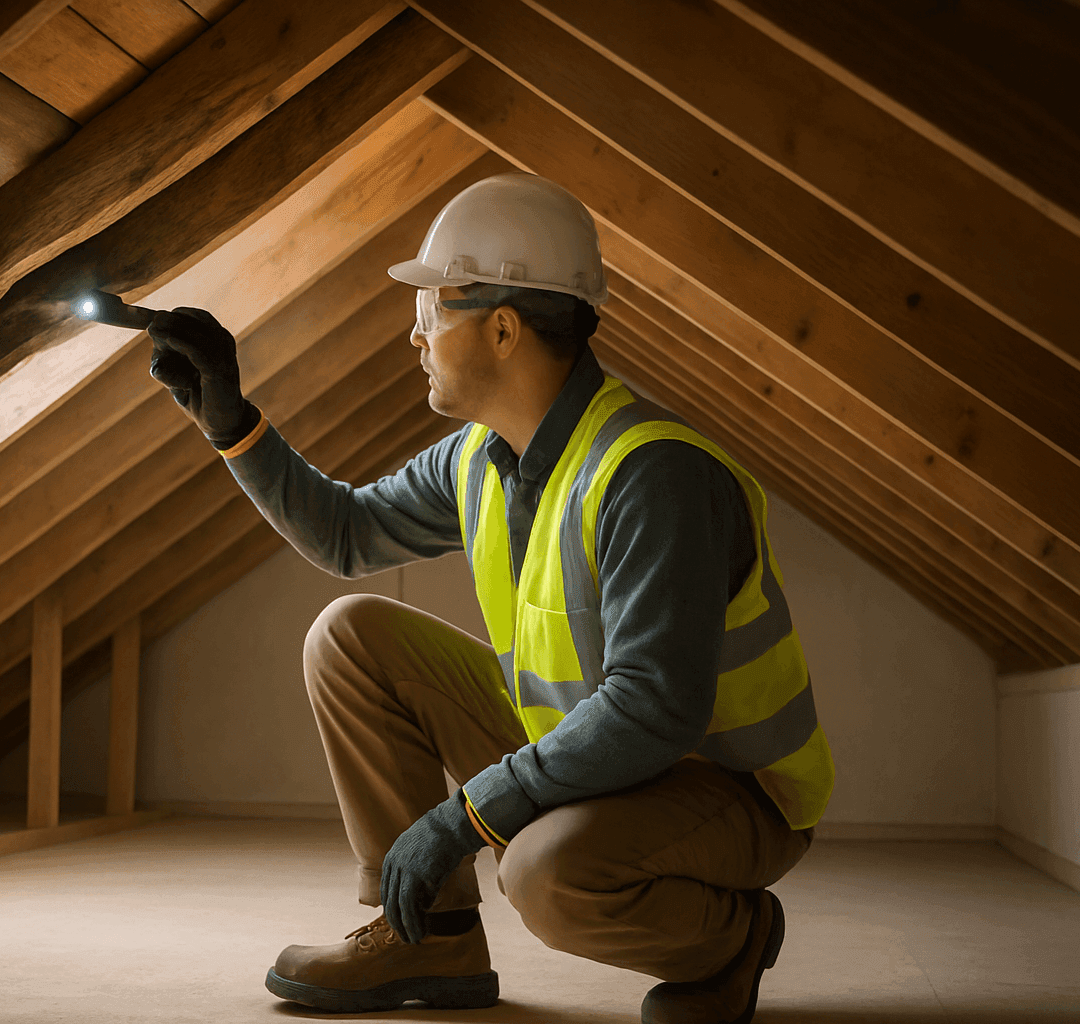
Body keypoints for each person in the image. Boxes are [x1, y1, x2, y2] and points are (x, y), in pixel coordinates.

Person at [145, 172, 835, 1024]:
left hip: (725, 789)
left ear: (503, 328)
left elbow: (657, 708)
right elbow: (347, 534)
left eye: (433, 309)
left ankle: (732, 938)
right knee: (350, 634)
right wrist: (229, 422)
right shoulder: (477, 456)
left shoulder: (652, 474)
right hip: (595, 756)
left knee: (544, 872)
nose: (416, 335)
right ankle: (428, 938)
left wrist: (464, 816)